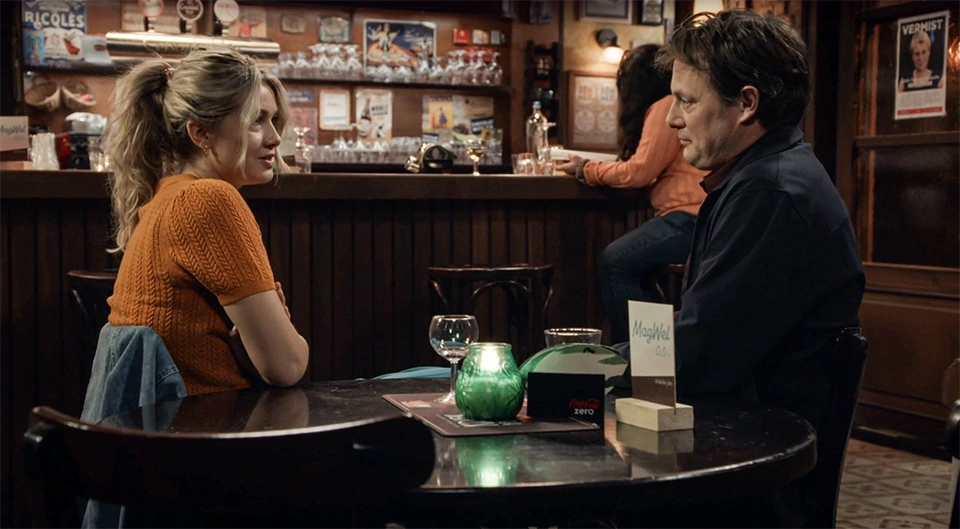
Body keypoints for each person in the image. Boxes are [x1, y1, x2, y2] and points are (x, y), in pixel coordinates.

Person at [624, 10, 864, 529]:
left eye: (687, 101)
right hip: (742, 446)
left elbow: (699, 355)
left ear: (747, 104)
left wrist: (580, 370)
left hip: (751, 479)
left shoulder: (769, 191)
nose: (671, 119)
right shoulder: (762, 177)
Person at [102, 48, 309, 396]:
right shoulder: (206, 199)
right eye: (255, 120)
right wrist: (280, 328)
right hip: (203, 424)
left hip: (170, 423)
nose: (275, 137)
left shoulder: (168, 196)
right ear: (201, 133)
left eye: (274, 120)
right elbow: (287, 365)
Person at [556, 44, 707, 344]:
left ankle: (638, 354)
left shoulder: (665, 106)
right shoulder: (675, 104)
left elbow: (638, 172)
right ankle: (656, 349)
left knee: (614, 261)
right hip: (695, 216)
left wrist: (585, 168)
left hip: (689, 218)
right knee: (631, 267)